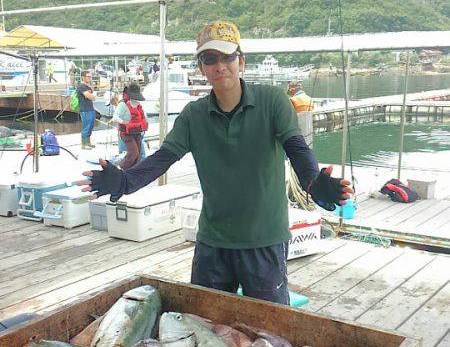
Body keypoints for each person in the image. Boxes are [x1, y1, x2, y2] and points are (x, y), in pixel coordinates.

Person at [81, 21, 352, 304]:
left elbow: (295, 146)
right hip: (213, 241)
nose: (220, 66)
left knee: (268, 327)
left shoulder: (273, 102)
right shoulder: (193, 115)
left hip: (264, 239)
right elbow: (163, 158)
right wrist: (126, 181)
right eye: (210, 59)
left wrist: (312, 181)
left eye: (227, 57)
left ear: (241, 61)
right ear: (201, 67)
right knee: (204, 322)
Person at [113, 83, 148, 170]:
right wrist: (123, 122)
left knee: (138, 154)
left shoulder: (138, 106)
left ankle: (133, 170)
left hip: (137, 132)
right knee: (133, 153)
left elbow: (143, 117)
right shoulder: (123, 105)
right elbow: (115, 116)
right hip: (126, 133)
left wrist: (145, 123)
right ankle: (120, 167)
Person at [77, 70, 96, 150]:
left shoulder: (88, 86)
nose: (89, 78)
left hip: (91, 108)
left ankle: (88, 142)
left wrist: (91, 95)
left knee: (91, 126)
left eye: (90, 77)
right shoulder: (81, 86)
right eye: (88, 76)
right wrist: (91, 96)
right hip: (85, 110)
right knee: (86, 126)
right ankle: (84, 144)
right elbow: (90, 96)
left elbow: (92, 97)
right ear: (83, 77)